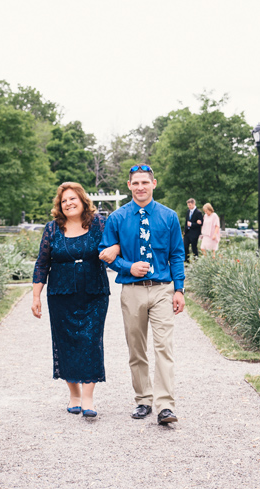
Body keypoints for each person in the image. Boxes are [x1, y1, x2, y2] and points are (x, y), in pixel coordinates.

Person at [99, 164, 186, 425]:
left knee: (163, 347)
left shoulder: (169, 217)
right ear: (129, 186)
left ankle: (165, 406)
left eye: (145, 183)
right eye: (135, 183)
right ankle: (143, 400)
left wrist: (179, 289)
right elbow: (105, 254)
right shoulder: (117, 218)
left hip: (162, 289)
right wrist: (128, 266)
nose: (140, 187)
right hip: (132, 291)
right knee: (136, 348)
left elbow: (177, 254)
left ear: (154, 184)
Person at [31, 182, 112, 418]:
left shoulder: (98, 223)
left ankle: (88, 398)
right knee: (66, 342)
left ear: (83, 200)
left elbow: (115, 246)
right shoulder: (52, 229)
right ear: (60, 206)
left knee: (90, 341)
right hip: (60, 295)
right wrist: (35, 296)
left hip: (94, 293)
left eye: (73, 198)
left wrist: (115, 251)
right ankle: (74, 393)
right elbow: (42, 264)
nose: (68, 203)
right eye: (64, 200)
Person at [183, 198, 204, 262]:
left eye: (190, 205)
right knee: (185, 246)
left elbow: (201, 223)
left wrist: (192, 224)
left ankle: (196, 260)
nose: (189, 206)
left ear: (193, 204)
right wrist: (185, 230)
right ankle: (186, 260)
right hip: (187, 232)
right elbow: (186, 222)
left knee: (193, 247)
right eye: (188, 205)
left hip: (194, 233)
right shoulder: (188, 211)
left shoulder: (198, 212)